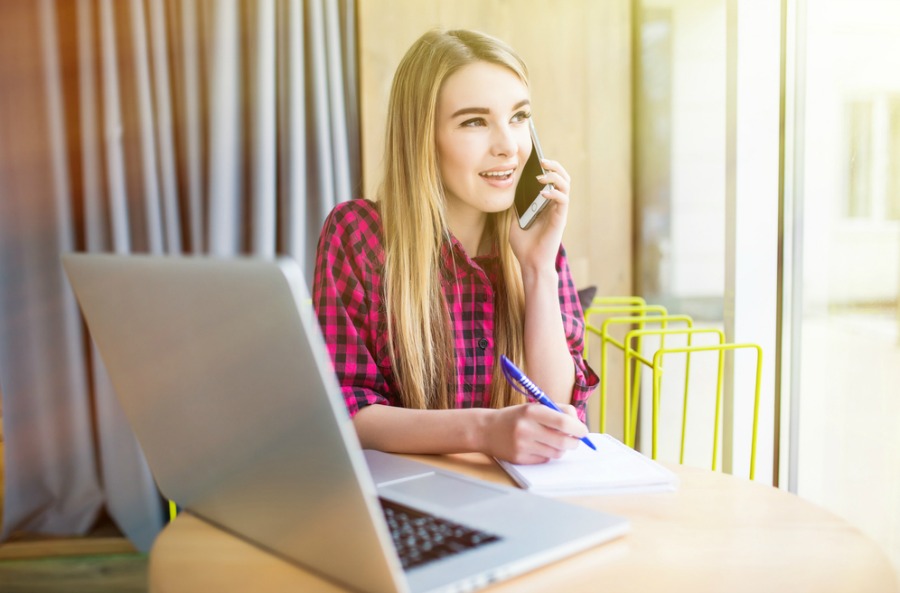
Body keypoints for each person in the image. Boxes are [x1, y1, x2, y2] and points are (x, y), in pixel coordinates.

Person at [313, 28, 598, 465]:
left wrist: (538, 269)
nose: (508, 147)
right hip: (399, 503)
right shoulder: (358, 235)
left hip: (516, 499)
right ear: (423, 137)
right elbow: (342, 412)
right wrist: (483, 430)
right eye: (474, 121)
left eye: (519, 117)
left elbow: (557, 415)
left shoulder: (537, 245)